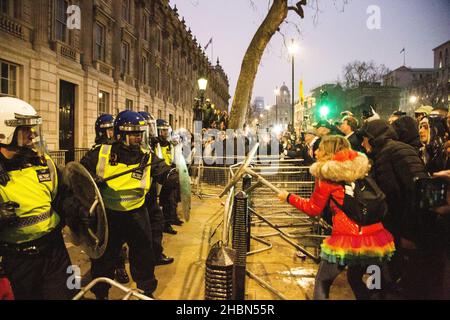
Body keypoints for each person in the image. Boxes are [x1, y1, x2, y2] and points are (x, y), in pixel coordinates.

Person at [278, 135, 395, 300]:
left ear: (328, 152)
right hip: (374, 237)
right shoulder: (361, 171)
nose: (316, 152)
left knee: (322, 281)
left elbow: (313, 208)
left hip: (346, 239)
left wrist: (288, 197)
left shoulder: (326, 177)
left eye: (320, 149)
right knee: (369, 281)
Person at [80, 110, 178, 299]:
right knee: (104, 259)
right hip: (109, 215)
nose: (138, 139)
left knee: (144, 256)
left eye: (140, 134)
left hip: (137, 214)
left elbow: (162, 170)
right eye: (133, 134)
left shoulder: (146, 156)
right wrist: (91, 180)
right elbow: (78, 176)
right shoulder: (101, 153)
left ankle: (146, 291)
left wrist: (172, 175)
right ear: (120, 134)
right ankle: (101, 293)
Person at [358, 119, 445, 299]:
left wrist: (412, 234)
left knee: (410, 286)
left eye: (364, 138)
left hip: (408, 232)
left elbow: (423, 192)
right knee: (375, 281)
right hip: (390, 232)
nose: (361, 143)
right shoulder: (379, 155)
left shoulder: (399, 150)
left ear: (373, 137)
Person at [0, 97, 73, 299]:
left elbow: (62, 196)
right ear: (5, 132)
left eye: (33, 128)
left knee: (70, 291)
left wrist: (76, 208)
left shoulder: (44, 162)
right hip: (15, 259)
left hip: (56, 251)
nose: (33, 134)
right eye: (26, 129)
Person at [93, 114, 130, 284]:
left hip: (118, 203)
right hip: (101, 206)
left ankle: (120, 266)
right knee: (103, 244)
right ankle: (101, 285)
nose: (111, 134)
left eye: (112, 130)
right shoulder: (96, 152)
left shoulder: (119, 150)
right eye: (108, 130)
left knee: (120, 241)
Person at [138, 112, 174, 266]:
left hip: (150, 192)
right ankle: (119, 266)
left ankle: (155, 254)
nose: (152, 132)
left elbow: (160, 166)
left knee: (156, 222)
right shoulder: (128, 152)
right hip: (129, 201)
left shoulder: (150, 148)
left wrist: (173, 175)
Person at [154, 119, 183, 234]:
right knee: (165, 202)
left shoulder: (168, 144)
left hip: (169, 174)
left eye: (166, 131)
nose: (166, 133)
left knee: (172, 200)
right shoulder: (155, 143)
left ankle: (170, 220)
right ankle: (166, 223)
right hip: (159, 176)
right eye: (163, 131)